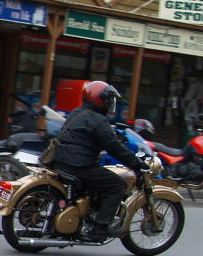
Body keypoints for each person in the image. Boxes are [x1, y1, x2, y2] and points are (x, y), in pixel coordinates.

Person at [50, 80, 144, 239]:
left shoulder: (77, 112)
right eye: (108, 99)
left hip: (60, 161)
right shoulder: (98, 120)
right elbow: (113, 146)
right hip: (78, 165)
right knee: (117, 185)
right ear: (98, 99)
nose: (110, 103)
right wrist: (136, 163)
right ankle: (101, 228)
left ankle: (86, 217)